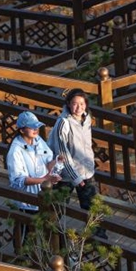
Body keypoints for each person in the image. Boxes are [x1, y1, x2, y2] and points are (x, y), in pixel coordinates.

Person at [47, 88, 107, 239]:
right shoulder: (63, 123)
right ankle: (45, 236)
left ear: (86, 104)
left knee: (94, 207)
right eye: (74, 104)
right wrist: (75, 177)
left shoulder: (86, 118)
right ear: (68, 104)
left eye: (82, 103)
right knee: (57, 208)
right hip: (66, 175)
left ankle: (100, 239)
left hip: (86, 171)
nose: (78, 107)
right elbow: (62, 154)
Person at [7, 111, 62, 215]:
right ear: (22, 130)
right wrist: (45, 179)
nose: (36, 129)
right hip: (26, 203)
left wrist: (58, 161)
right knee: (27, 230)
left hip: (43, 197)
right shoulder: (15, 150)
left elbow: (48, 162)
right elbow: (18, 180)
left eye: (37, 126)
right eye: (32, 127)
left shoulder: (38, 140)